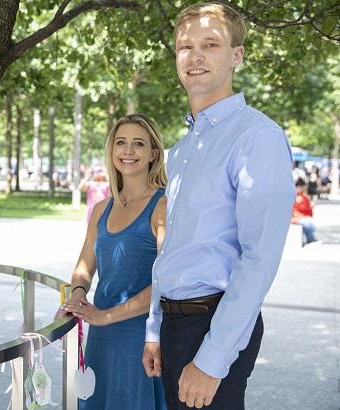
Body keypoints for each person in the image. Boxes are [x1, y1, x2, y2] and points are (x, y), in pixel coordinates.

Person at [142, 3, 295, 410]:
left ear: (236, 55)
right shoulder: (182, 150)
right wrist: (155, 329)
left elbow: (258, 259)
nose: (195, 56)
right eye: (185, 46)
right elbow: (171, 248)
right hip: (176, 325)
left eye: (210, 44)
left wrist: (211, 361)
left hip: (215, 324)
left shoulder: (256, 137)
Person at [60, 114, 168, 410]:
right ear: (111, 151)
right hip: (101, 335)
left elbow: (166, 283)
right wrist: (78, 297)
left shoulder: (163, 206)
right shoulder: (101, 209)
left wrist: (107, 315)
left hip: (141, 337)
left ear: (153, 154)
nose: (128, 151)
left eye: (138, 144)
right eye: (121, 143)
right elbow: (83, 269)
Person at [292, 177, 318, 245]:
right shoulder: (296, 197)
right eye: (300, 187)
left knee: (309, 223)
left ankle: (310, 238)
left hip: (302, 217)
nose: (302, 188)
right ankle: (310, 238)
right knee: (308, 224)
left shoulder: (303, 196)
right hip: (296, 218)